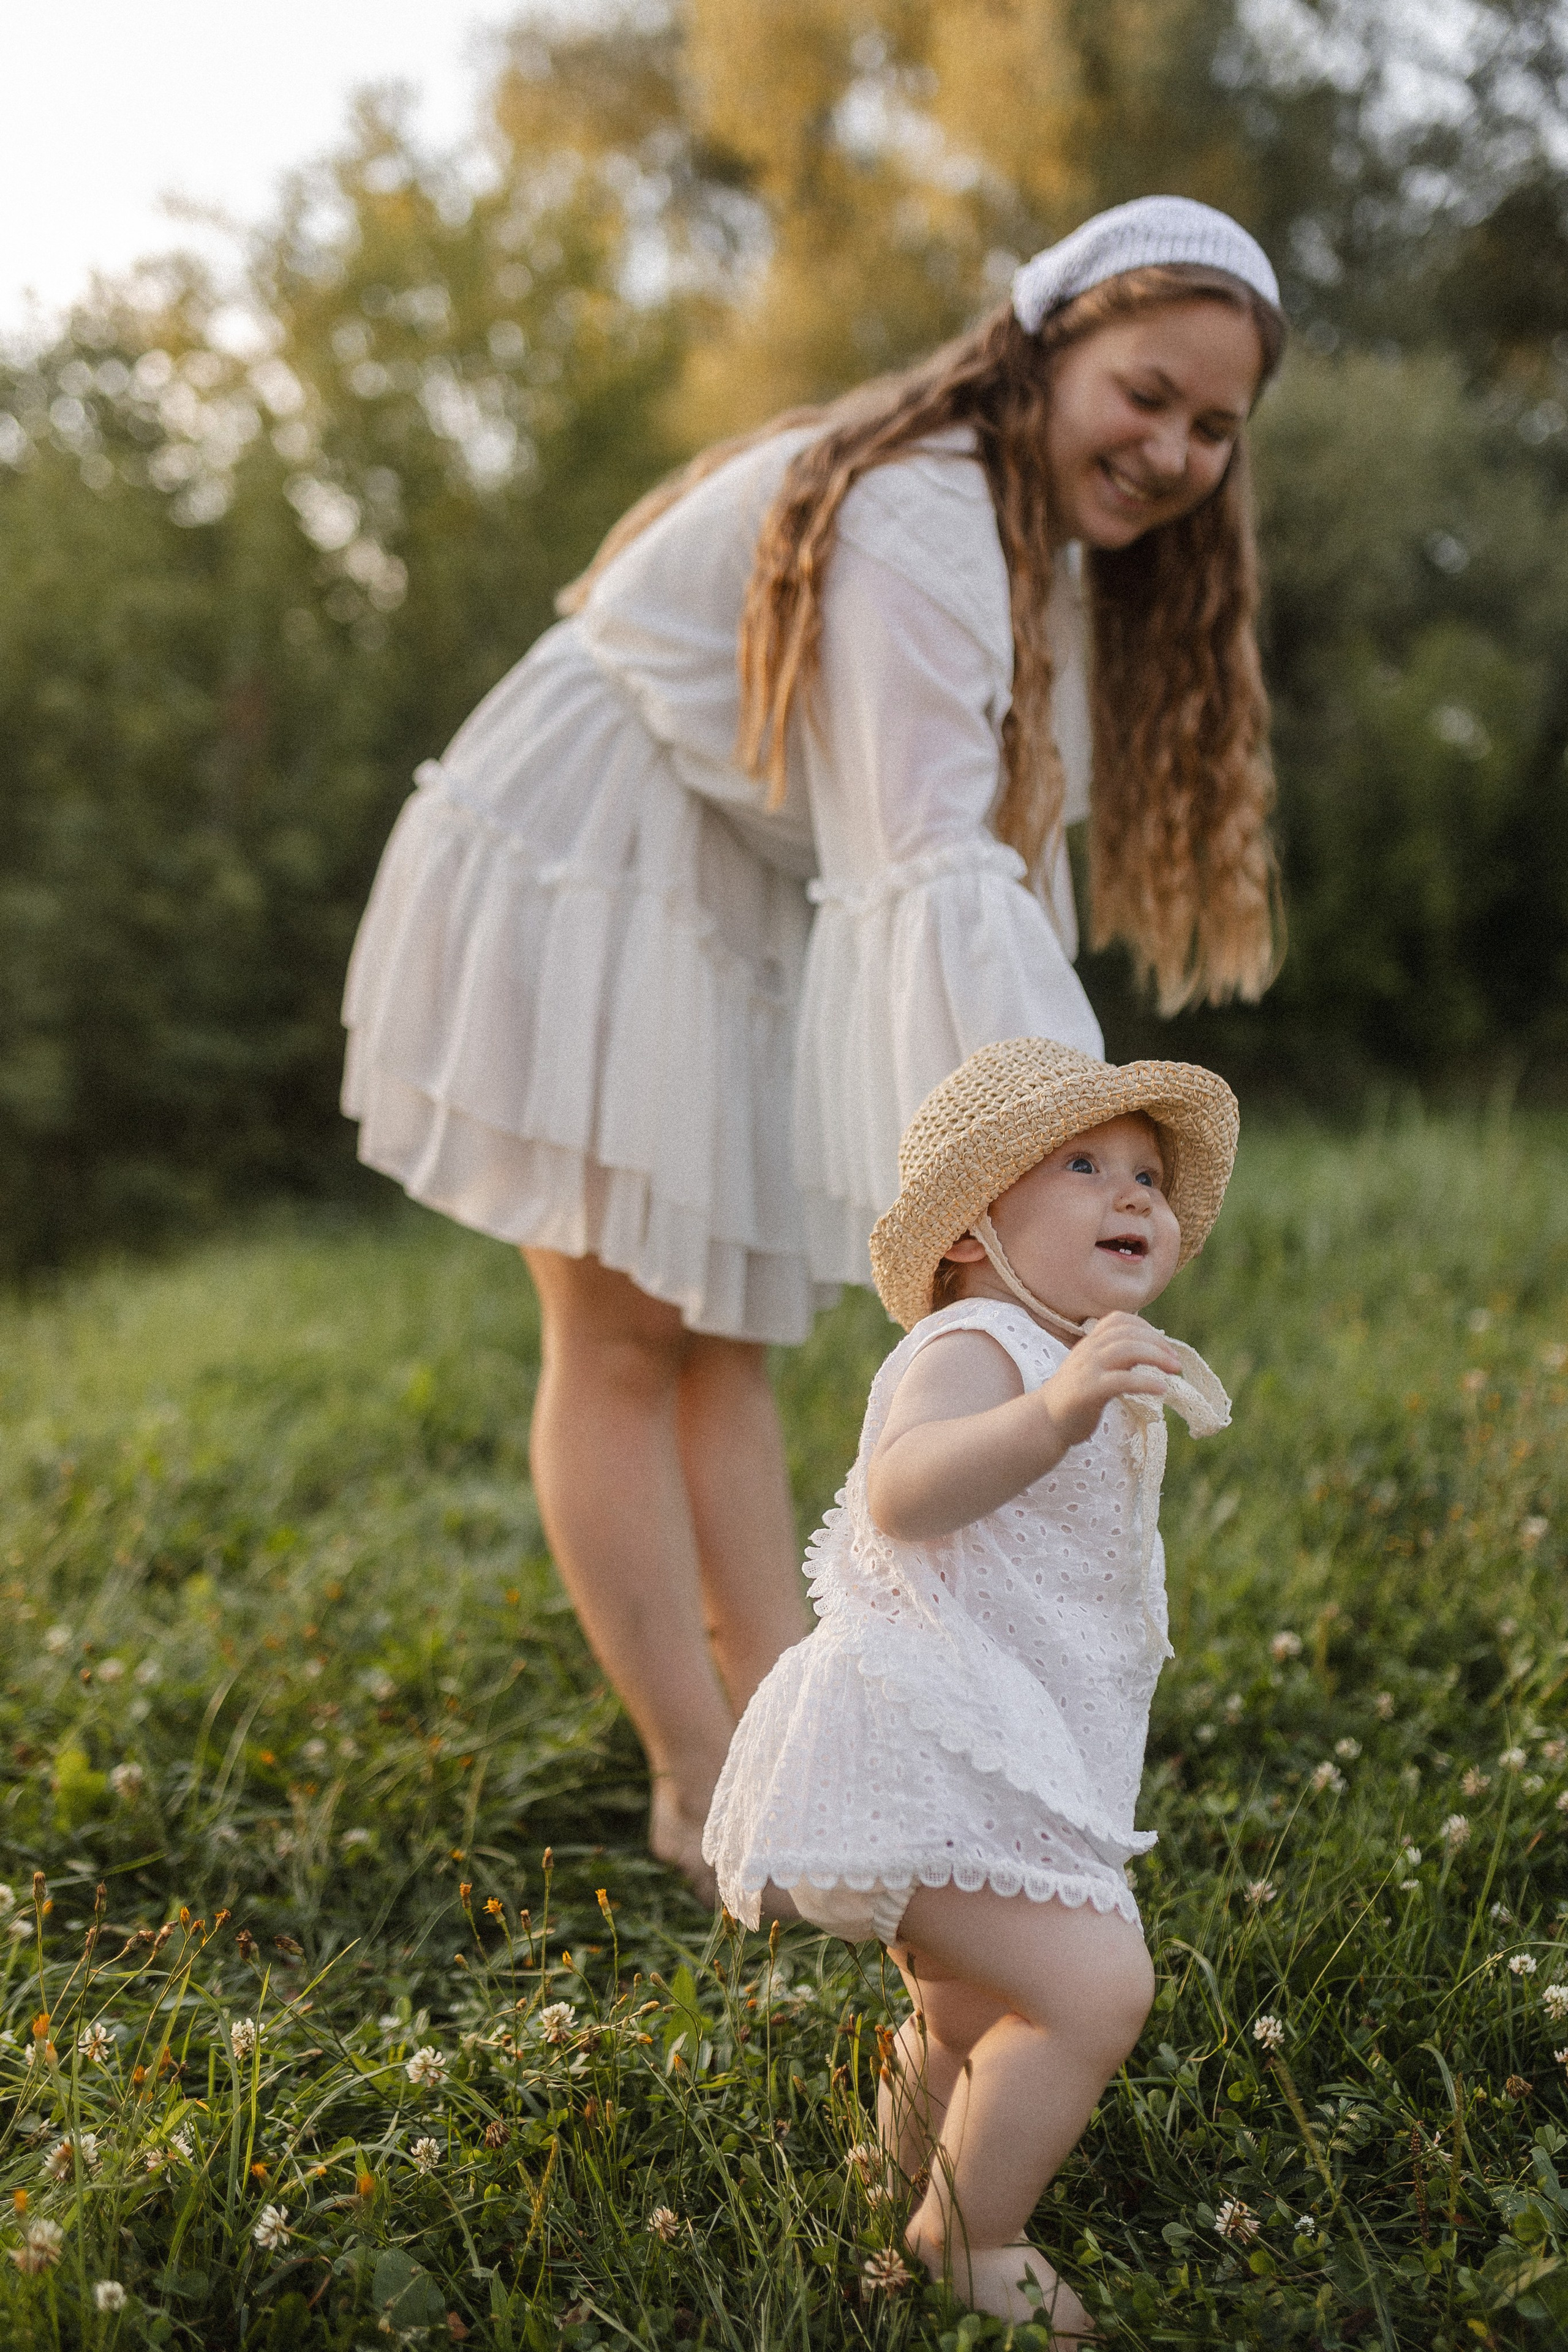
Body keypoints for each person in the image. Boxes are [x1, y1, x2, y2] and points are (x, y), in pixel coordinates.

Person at [340, 196, 1284, 1895]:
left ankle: (803, 1732)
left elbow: (963, 863)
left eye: (1215, 426)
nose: (1173, 448)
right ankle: (704, 1782)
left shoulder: (1031, 550)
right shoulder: (927, 509)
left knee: (732, 1339)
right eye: (1148, 391)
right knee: (627, 1334)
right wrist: (1051, 1150)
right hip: (595, 846)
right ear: (1047, 345)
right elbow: (931, 863)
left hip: (727, 879)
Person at [702, 1035, 1237, 2332]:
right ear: (966, 1232)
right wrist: (1051, 1411)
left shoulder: (1065, 1349)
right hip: (921, 1743)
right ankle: (968, 2238)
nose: (1132, 1195)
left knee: (962, 2012)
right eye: (1082, 1165)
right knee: (1092, 1989)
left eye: (1147, 1177)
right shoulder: (981, 1345)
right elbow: (902, 1491)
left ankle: (888, 2181)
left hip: (990, 1748)